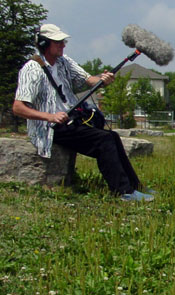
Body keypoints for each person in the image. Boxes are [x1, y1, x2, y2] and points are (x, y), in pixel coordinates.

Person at [12, 23, 154, 201]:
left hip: (70, 121)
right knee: (104, 140)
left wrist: (103, 80)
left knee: (113, 137)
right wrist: (51, 116)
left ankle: (135, 186)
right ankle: (122, 192)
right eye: (58, 42)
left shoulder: (64, 61)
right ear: (43, 44)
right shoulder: (31, 69)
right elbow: (18, 107)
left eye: (63, 41)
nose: (63, 45)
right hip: (49, 127)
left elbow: (88, 80)